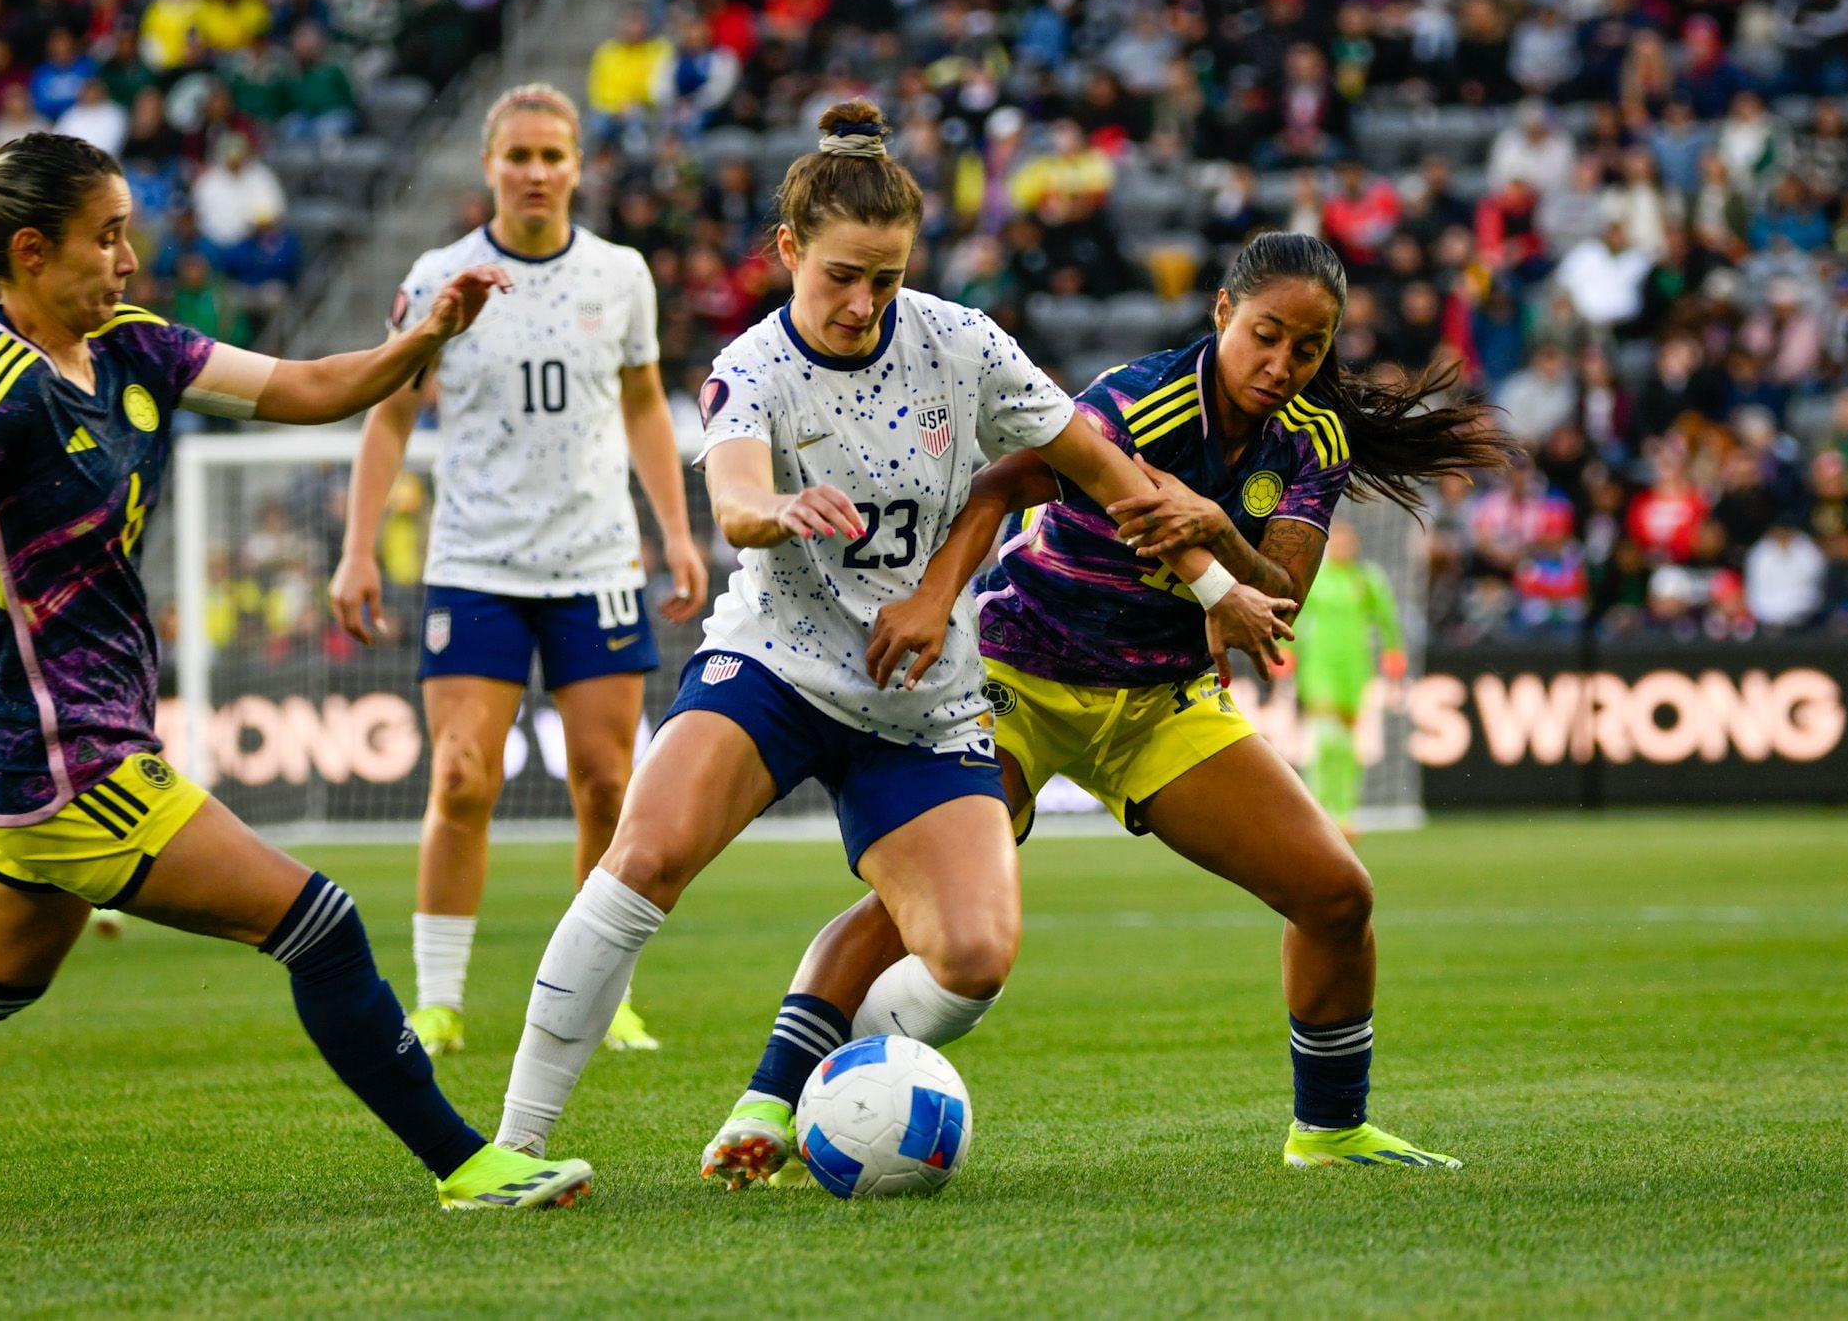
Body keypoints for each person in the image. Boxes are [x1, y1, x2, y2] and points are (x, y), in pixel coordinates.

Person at [484, 102, 1297, 1203]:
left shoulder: (962, 344)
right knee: (646, 856)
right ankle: (511, 1148)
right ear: (786, 254)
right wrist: (776, 510)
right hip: (774, 662)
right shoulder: (750, 366)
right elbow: (728, 499)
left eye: (885, 277)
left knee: (972, 960)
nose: (863, 303)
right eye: (839, 278)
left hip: (920, 700)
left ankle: (804, 1100)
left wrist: (1216, 583)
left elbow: (1107, 474)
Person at [0, 132, 592, 1210]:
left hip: (59, 744)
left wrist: (425, 337)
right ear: (36, 255)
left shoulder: (130, 347)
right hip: (67, 759)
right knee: (318, 922)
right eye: (107, 239)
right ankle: (468, 1166)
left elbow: (311, 386)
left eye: (127, 234)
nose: (129, 260)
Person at [705, 232, 1513, 1186]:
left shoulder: (1313, 438)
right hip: (1017, 681)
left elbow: (1278, 595)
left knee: (1337, 895)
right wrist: (931, 599)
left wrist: (1214, 525)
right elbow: (1007, 481)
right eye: (1266, 335)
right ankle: (763, 1100)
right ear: (1221, 314)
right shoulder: (1138, 400)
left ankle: (1330, 1130)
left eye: (1309, 346)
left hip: (1158, 704)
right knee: (916, 899)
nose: (1282, 364)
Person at [328, 83, 708, 1061]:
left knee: (604, 783)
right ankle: (440, 1002)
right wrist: (357, 547)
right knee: (460, 778)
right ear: (488, 165)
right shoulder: (439, 276)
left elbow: (640, 409)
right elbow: (391, 412)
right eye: (518, 156)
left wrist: (675, 531)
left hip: (593, 560)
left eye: (552, 156)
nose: (535, 172)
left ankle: (597, 999)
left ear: (577, 166)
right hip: (476, 561)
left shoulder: (619, 276)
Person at [1293, 518, 1407, 838]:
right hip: (1319, 666)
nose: (1342, 546)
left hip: (1355, 669)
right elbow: (1293, 612)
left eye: (1346, 541)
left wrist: (1394, 651)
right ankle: (1318, 810)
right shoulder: (1316, 579)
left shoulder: (1366, 580)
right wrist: (1283, 649)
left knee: (1346, 747)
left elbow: (1386, 619)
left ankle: (1344, 813)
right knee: (1327, 740)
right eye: (1336, 542)